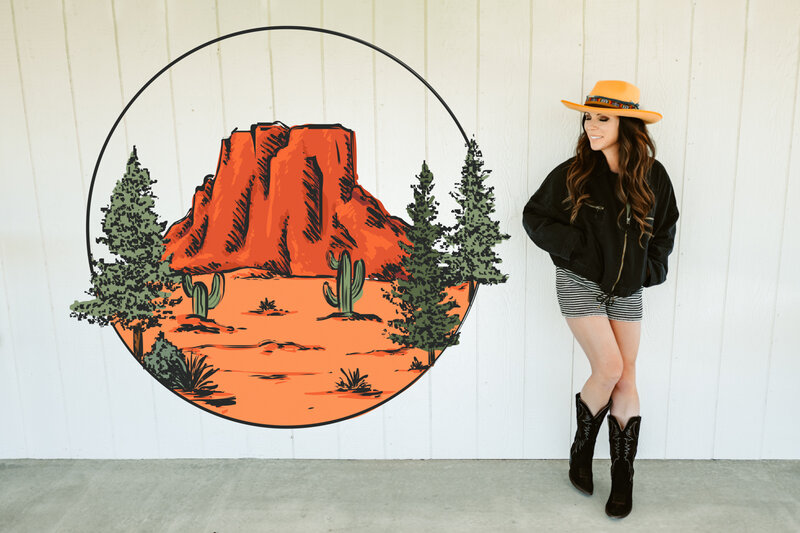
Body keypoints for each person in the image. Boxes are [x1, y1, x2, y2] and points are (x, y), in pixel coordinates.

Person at [522, 80, 679, 519]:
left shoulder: (653, 175)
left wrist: (652, 270)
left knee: (627, 377)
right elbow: (534, 217)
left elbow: (665, 228)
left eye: (602, 118)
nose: (591, 126)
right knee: (608, 368)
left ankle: (623, 478)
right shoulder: (574, 172)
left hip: (627, 287)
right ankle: (581, 450)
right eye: (588, 117)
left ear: (625, 124)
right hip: (581, 283)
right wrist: (576, 249)